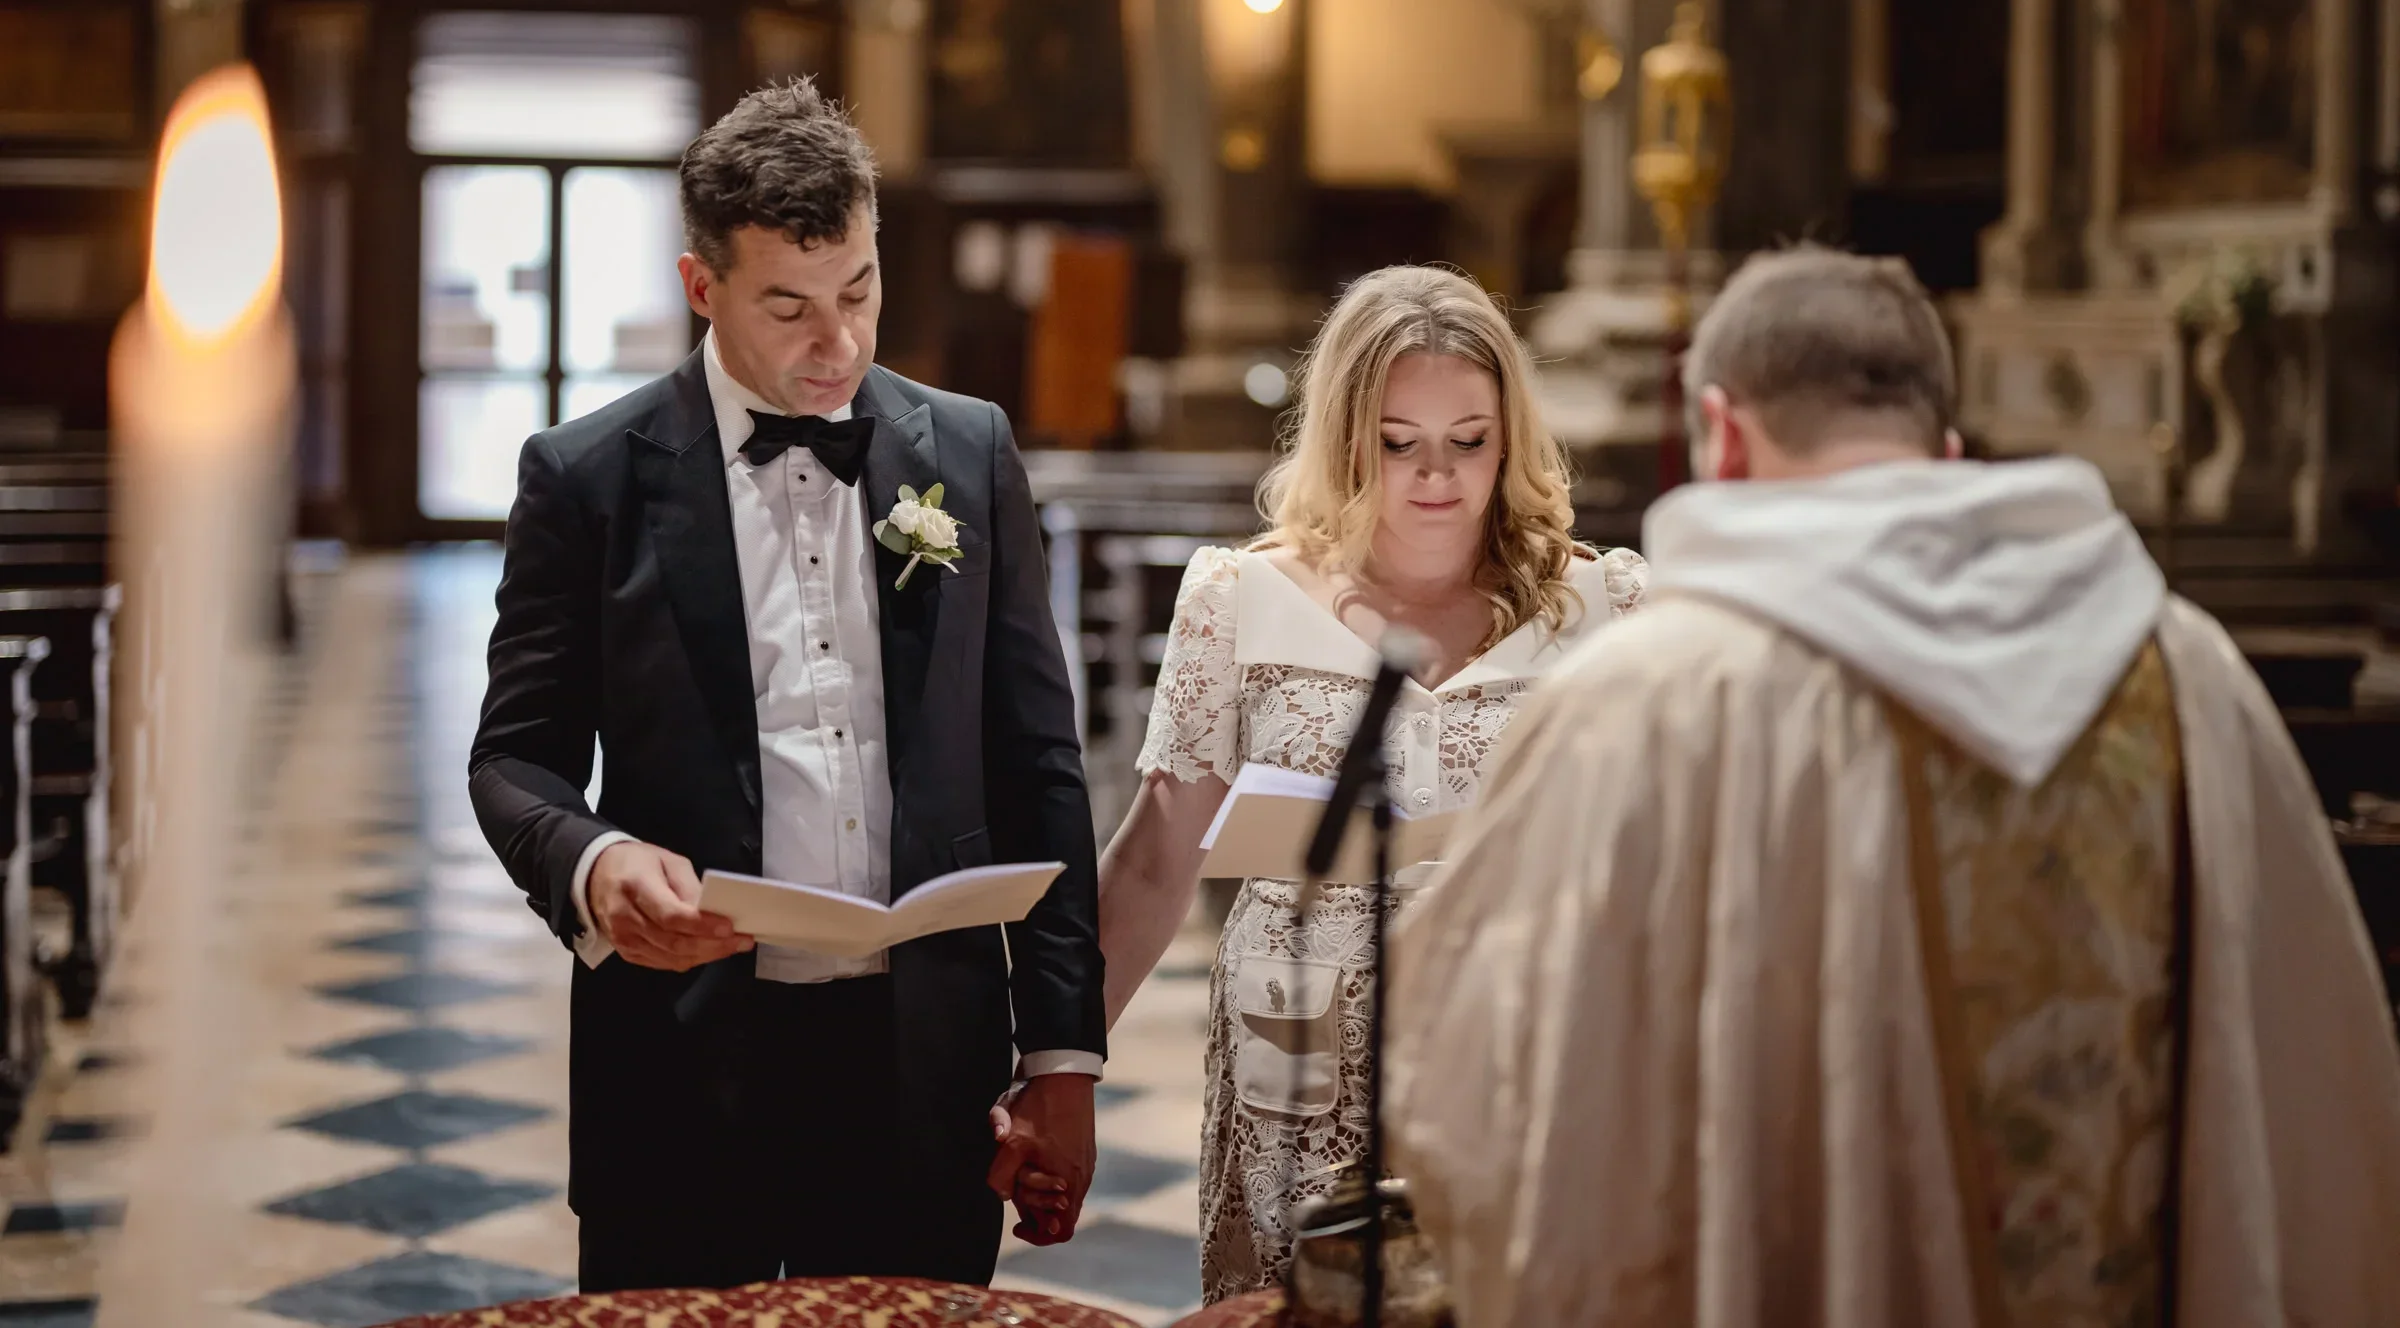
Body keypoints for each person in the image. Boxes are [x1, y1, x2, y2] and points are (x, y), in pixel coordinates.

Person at [1388, 246, 2400, 1327]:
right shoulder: (2189, 673)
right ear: (1946, 451)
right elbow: (2326, 1091)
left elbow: (1482, 1109)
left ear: (1721, 435)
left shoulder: (1651, 697)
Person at [467, 80, 1106, 1292]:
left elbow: (1039, 762)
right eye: (789, 306)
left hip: (925, 1059)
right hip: (682, 1056)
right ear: (701, 288)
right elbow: (512, 760)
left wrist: (1062, 1055)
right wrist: (596, 863)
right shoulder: (587, 476)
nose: (840, 345)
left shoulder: (967, 452)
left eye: (859, 289)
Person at [1095, 265, 1647, 1302]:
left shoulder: (1603, 602)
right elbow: (1156, 858)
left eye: (1469, 441)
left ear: (1510, 436)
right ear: (1348, 435)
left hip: (1522, 1059)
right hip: (1300, 1075)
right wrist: (1060, 1067)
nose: (1436, 476)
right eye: (1399, 443)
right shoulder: (1240, 599)